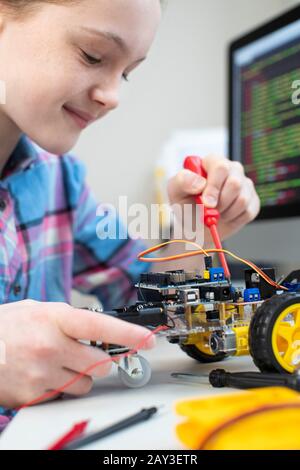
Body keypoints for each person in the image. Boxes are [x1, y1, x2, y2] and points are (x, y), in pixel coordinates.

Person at [0, 0, 260, 422]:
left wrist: (191, 235)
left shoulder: (60, 179)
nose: (112, 96)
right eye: (92, 55)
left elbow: (143, 305)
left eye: (126, 73)